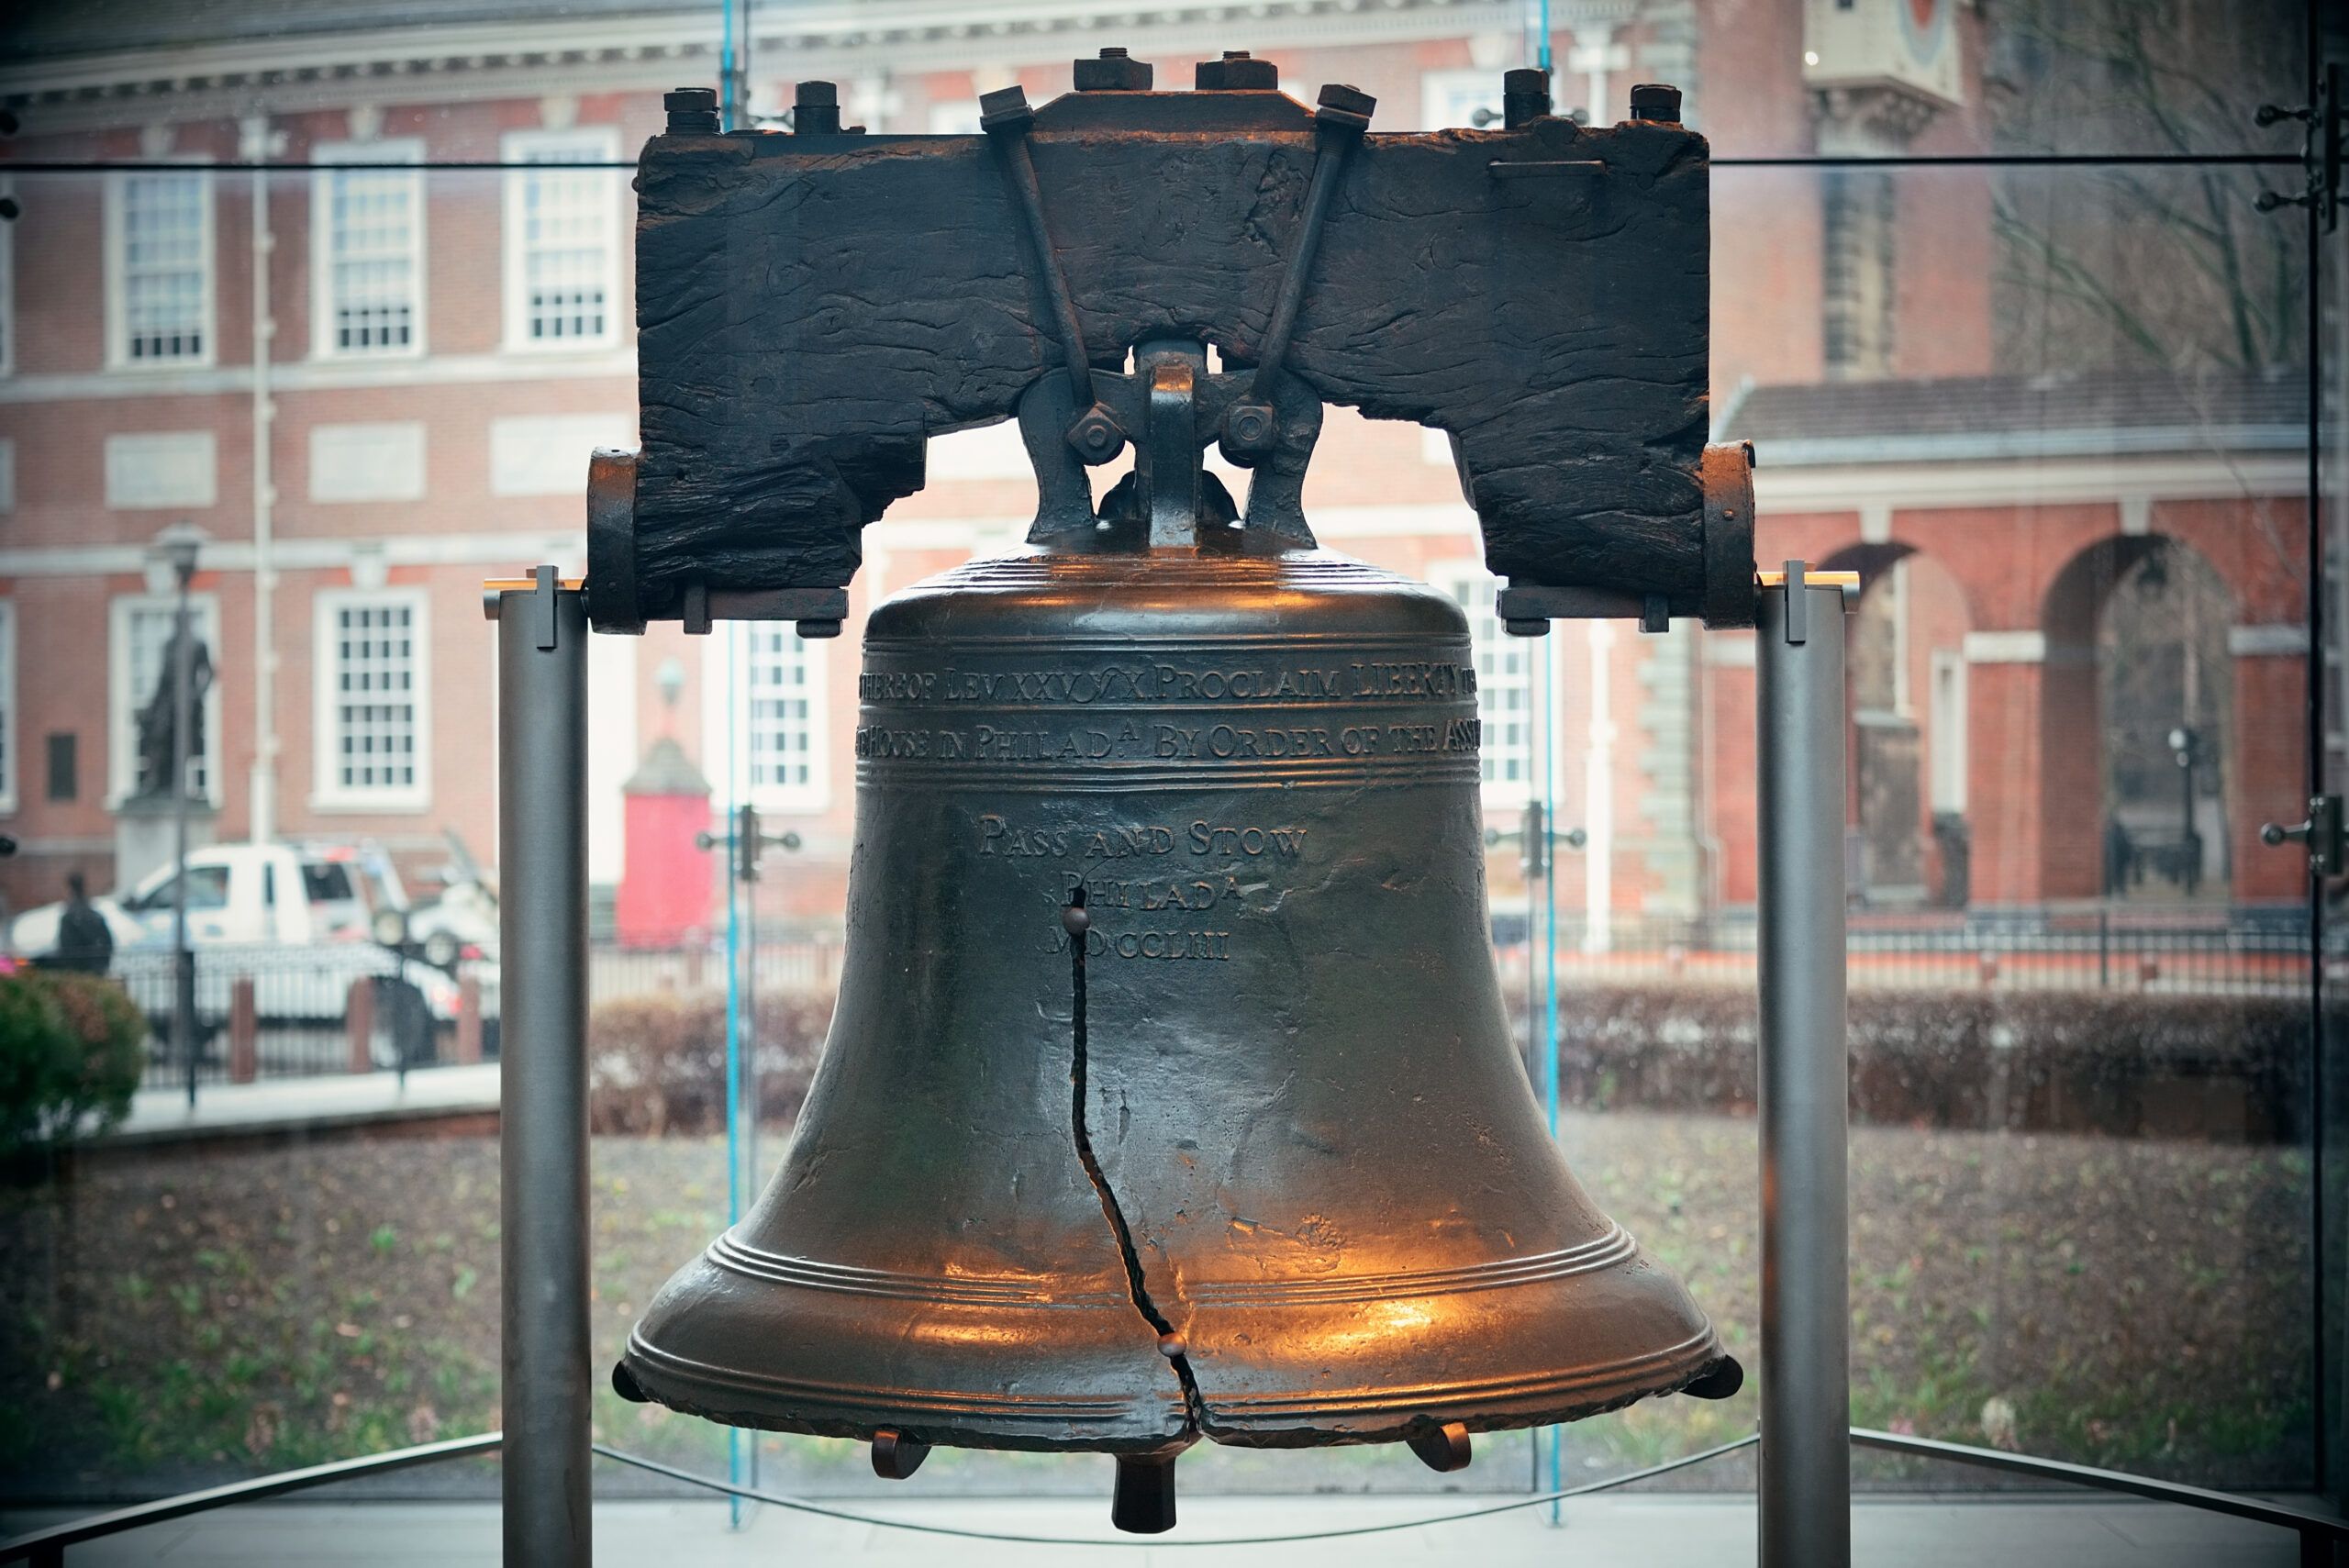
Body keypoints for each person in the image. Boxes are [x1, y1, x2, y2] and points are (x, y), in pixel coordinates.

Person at [54, 872, 115, 975]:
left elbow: (65, 948)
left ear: (69, 888)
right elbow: (108, 942)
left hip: (78, 973)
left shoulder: (69, 918)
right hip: (97, 970)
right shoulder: (95, 915)